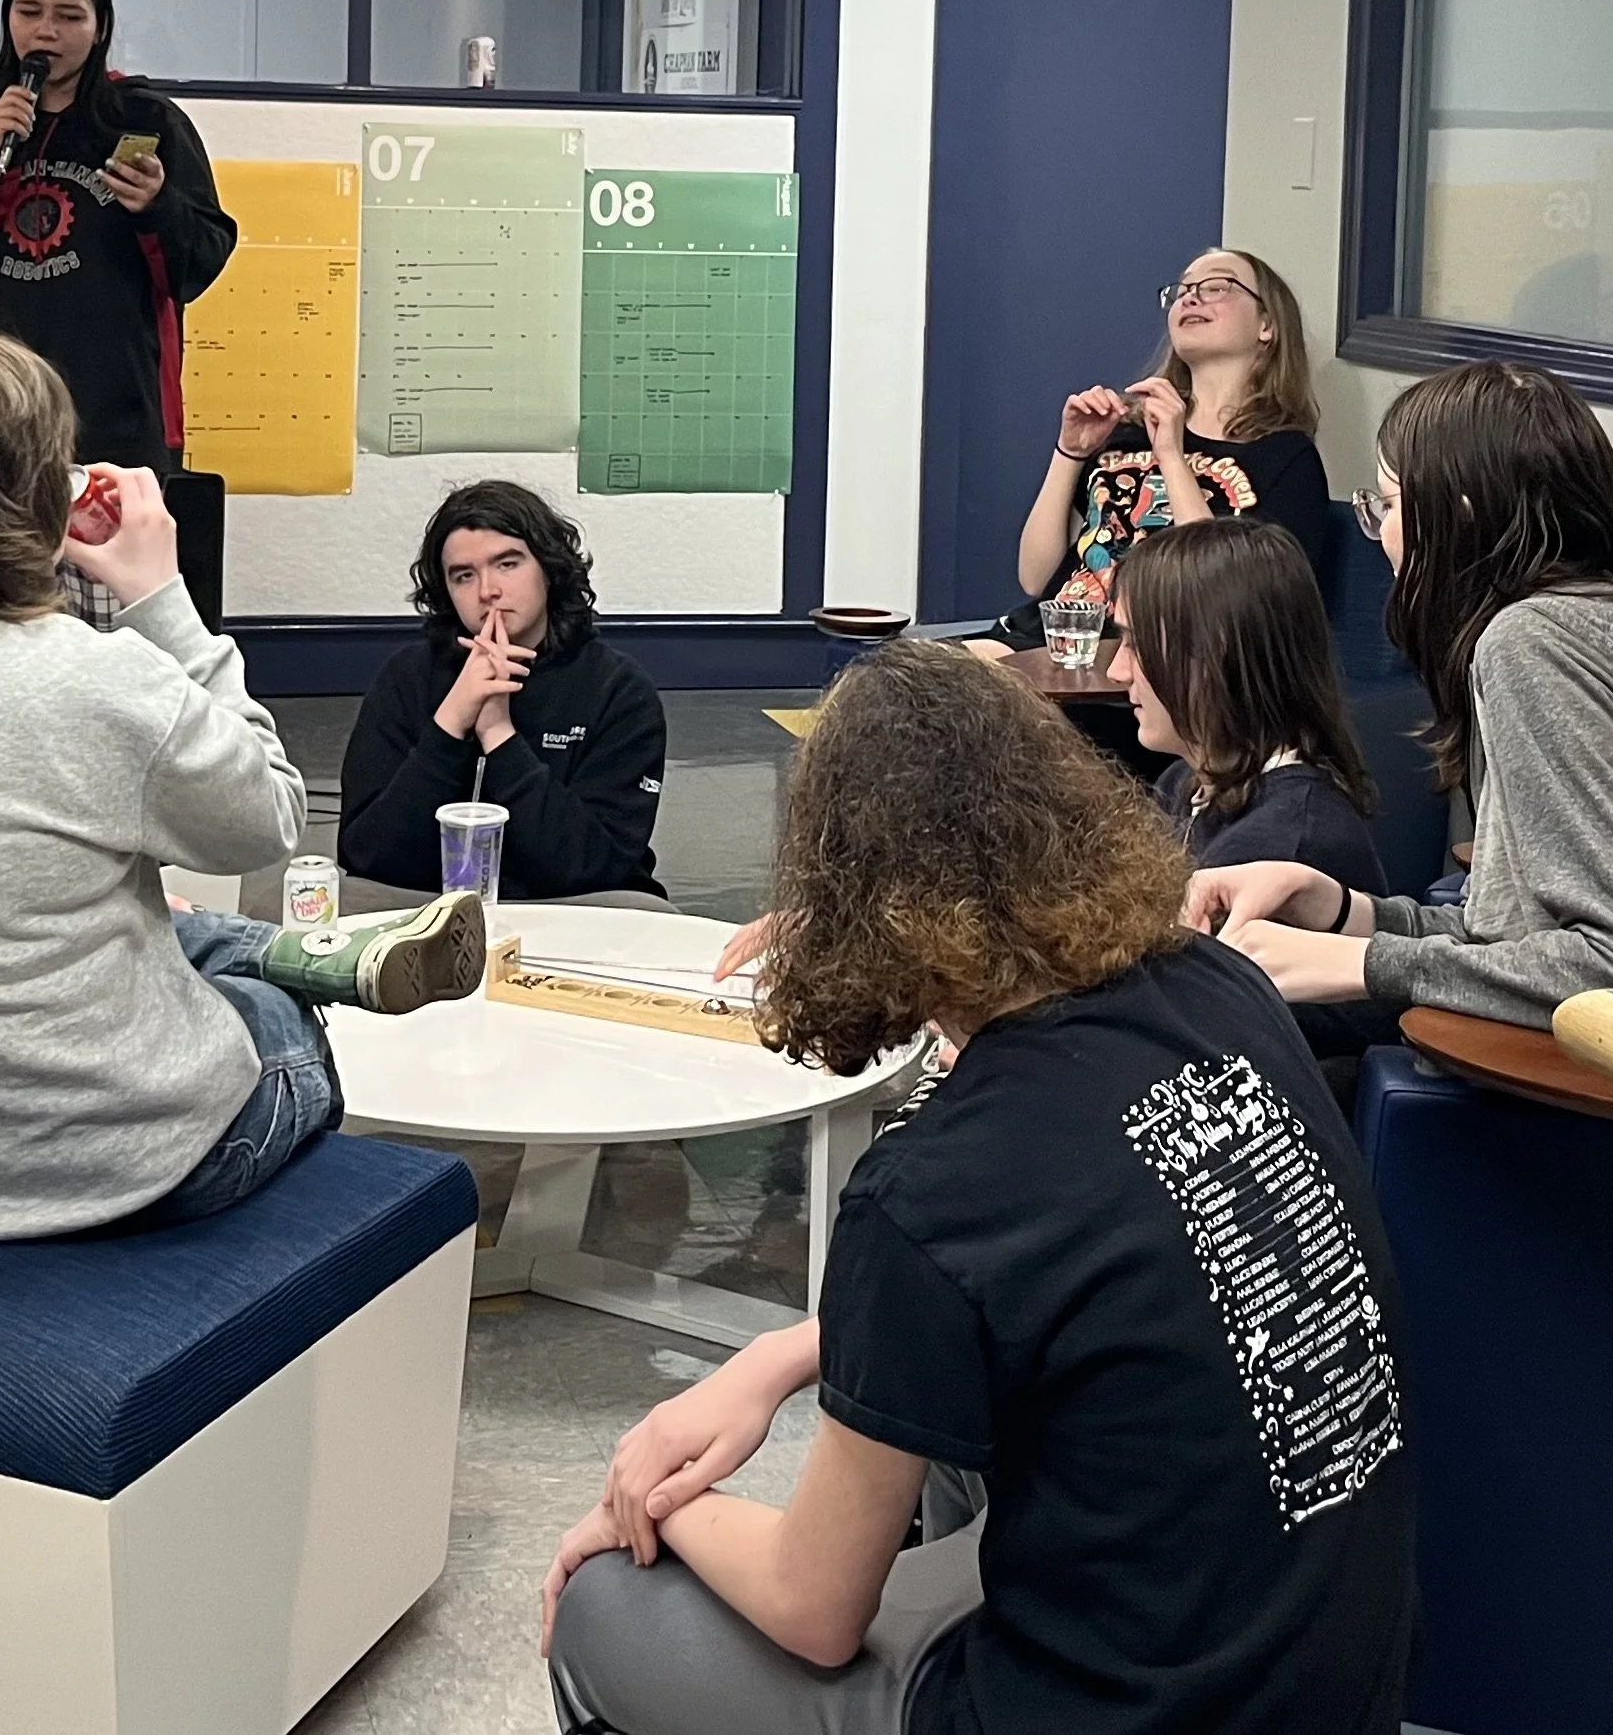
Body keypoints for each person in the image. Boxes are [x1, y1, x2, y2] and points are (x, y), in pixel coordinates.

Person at [541, 641, 1415, 1735]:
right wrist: (784, 1353)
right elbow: (1077, 1261)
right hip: (1328, 1678)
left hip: (1129, 1706)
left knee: (606, 1603)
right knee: (956, 1439)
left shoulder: (933, 1185)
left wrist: (652, 1500)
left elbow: (815, 1610)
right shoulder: (1224, 988)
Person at [0, 331, 484, 1243]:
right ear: (27, 499)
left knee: (165, 922)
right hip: (107, 1174)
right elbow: (270, 819)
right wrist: (162, 597)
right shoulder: (92, 681)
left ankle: (302, 952)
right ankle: (307, 967)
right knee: (267, 1015)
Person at [1189, 360, 1613, 1042]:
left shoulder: (1532, 645)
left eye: (1390, 505)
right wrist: (1344, 911)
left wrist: (1366, 963)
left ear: (1456, 513)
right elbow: (1515, 938)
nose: (1383, 537)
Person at [0, 0, 235, 477]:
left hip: (116, 412)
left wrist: (158, 206)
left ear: (100, 27)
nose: (45, 31)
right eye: (29, 12)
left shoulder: (146, 121)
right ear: (8, 18)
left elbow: (202, 258)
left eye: (69, 16)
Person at [973, 248, 1327, 657]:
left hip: (1142, 666)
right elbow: (1035, 579)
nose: (1191, 298)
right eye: (1182, 290)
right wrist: (1069, 452)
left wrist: (1172, 456)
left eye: (1217, 287)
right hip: (1045, 644)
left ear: (1267, 325)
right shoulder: (1128, 433)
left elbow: (1224, 602)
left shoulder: (1285, 456)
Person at [339, 481, 668, 902]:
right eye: (464, 576)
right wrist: (451, 721)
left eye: (507, 565)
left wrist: (498, 734)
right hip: (426, 902)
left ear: (548, 569)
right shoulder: (408, 678)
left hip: (572, 905)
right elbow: (366, 855)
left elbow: (599, 865)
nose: (487, 591)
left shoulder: (617, 688)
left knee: (645, 906)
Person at [1110, 518, 1386, 893]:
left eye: (1136, 645)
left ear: (1215, 652)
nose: (1116, 671)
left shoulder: (1284, 845)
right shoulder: (1181, 784)